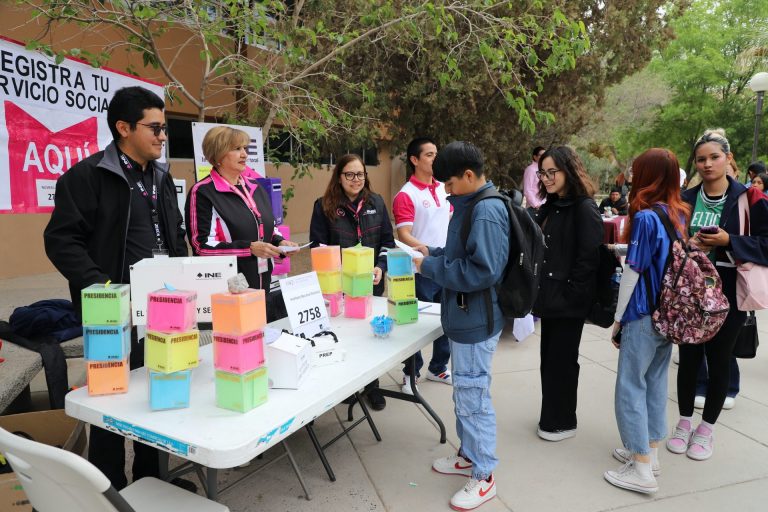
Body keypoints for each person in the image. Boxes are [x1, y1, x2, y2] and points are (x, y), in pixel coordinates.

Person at [43, 86, 190, 490]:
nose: (163, 136)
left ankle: (151, 479)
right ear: (124, 128)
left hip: (161, 306)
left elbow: (174, 232)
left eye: (165, 128)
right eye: (155, 127)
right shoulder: (86, 176)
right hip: (111, 312)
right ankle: (109, 488)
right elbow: (61, 240)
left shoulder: (161, 176)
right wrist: (103, 288)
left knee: (158, 392)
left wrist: (182, 276)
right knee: (110, 401)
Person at [414, 141, 509, 511]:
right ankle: (469, 455)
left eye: (450, 184)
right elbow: (461, 255)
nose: (447, 191)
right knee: (466, 392)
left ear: (469, 175)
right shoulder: (471, 204)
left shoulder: (485, 211)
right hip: (467, 317)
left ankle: (484, 476)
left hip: (476, 319)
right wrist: (433, 254)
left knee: (473, 395)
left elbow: (482, 271)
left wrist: (430, 267)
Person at [668, 129, 768, 461]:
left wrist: (729, 241)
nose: (707, 164)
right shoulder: (685, 198)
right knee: (689, 358)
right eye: (701, 159)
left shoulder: (751, 199)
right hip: (690, 291)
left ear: (728, 158)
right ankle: (684, 422)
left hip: (729, 290)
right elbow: (672, 243)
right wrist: (686, 245)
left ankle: (706, 429)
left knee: (720, 359)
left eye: (714, 157)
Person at [603, 148, 691, 494]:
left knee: (629, 385)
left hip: (642, 312)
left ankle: (640, 468)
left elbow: (633, 273)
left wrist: (618, 319)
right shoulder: (677, 213)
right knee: (654, 382)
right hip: (668, 313)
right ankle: (650, 453)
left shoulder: (644, 217)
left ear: (647, 175)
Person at [309, 154, 395, 410]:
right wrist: (335, 274)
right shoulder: (323, 205)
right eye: (349, 174)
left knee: (370, 335)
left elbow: (387, 243)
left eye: (360, 174)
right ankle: (346, 385)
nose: (356, 179)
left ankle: (372, 386)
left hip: (370, 283)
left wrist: (380, 267)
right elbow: (318, 247)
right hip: (338, 287)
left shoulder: (376, 203)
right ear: (339, 177)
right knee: (344, 335)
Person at [186, 126, 298, 321]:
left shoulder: (255, 187)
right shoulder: (203, 192)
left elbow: (267, 226)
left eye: (245, 148)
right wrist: (249, 248)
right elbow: (201, 246)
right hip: (229, 291)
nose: (245, 154)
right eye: (237, 149)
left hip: (263, 283)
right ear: (218, 155)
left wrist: (279, 241)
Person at [532, 146, 602, 441]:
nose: (547, 178)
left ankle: (562, 421)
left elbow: (589, 259)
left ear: (569, 171)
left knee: (561, 363)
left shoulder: (584, 207)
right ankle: (553, 416)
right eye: (542, 173)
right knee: (550, 361)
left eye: (553, 172)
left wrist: (571, 296)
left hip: (569, 302)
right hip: (550, 298)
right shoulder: (551, 205)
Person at [392, 137, 452, 394]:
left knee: (447, 318)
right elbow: (404, 234)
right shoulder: (406, 194)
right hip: (419, 269)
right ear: (414, 160)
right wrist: (427, 254)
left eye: (436, 153)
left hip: (446, 265)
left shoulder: (445, 188)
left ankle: (438, 367)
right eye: (429, 154)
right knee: (415, 323)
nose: (435, 158)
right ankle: (411, 372)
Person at [523, 146, 547, 217]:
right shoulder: (530, 169)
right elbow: (527, 190)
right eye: (541, 155)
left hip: (544, 205)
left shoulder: (543, 170)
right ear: (535, 157)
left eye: (545, 155)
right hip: (534, 208)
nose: (544, 157)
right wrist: (536, 205)